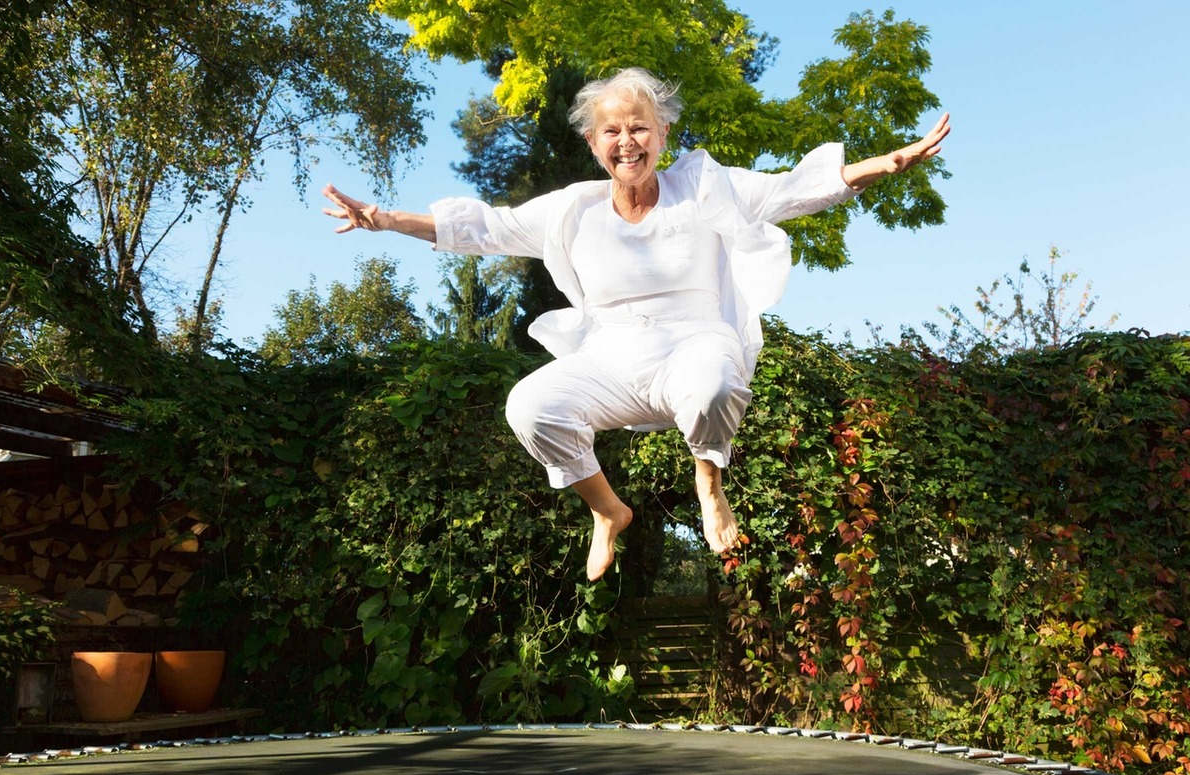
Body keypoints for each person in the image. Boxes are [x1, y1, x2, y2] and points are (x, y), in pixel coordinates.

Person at [323, 67, 949, 582]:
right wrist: (386, 217)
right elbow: (485, 228)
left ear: (663, 134)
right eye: (613, 131)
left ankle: (709, 482)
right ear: (595, 146)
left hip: (696, 345)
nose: (627, 141)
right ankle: (607, 511)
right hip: (612, 361)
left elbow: (794, 190)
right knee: (530, 406)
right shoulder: (573, 210)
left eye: (640, 128)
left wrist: (883, 164)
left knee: (712, 385)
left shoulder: (704, 186)